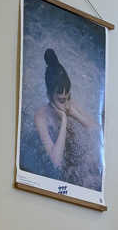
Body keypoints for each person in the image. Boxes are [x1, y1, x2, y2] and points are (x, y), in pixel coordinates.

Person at [33, 48, 100, 186]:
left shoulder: (70, 104)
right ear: (48, 96)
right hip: (61, 165)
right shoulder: (41, 117)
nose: (67, 103)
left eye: (68, 97)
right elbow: (56, 162)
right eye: (61, 100)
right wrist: (64, 120)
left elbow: (97, 130)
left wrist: (75, 115)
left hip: (76, 155)